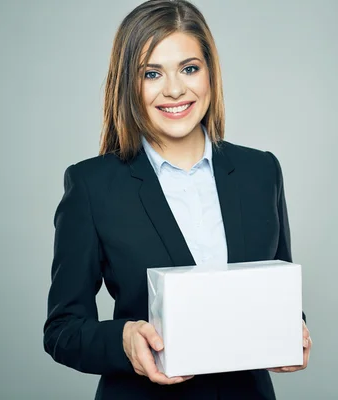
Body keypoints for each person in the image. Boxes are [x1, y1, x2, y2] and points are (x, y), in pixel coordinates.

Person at [43, 1, 311, 398]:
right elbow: (62, 330)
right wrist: (124, 339)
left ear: (210, 74)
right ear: (128, 85)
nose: (174, 89)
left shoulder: (261, 172)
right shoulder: (92, 186)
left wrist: (293, 329)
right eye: (152, 73)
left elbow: (276, 289)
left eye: (189, 68)